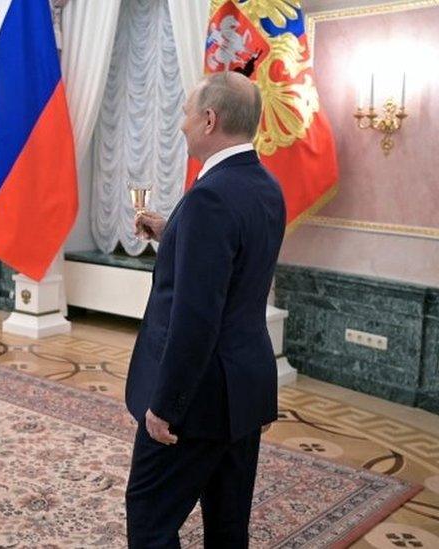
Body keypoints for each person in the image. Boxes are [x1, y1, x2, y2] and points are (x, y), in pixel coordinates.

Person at [125, 72, 286, 547]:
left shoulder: (209, 196)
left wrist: (165, 406)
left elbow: (196, 319)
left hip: (198, 400)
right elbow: (234, 268)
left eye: (186, 113)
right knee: (229, 524)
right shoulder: (265, 186)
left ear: (209, 119)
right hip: (245, 387)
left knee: (151, 518)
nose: (182, 124)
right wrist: (173, 231)